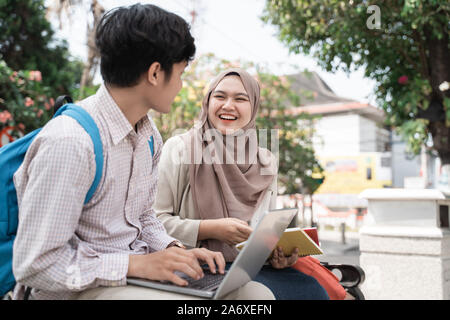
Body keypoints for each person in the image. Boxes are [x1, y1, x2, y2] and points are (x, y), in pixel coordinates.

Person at [11, 4, 274, 300]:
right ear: (155, 73)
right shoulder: (71, 141)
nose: (181, 85)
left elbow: (144, 217)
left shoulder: (148, 137)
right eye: (180, 73)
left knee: (254, 296)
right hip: (77, 289)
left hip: (133, 277)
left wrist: (174, 251)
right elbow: (35, 265)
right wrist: (136, 265)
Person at [154, 68, 330, 300]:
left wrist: (275, 253)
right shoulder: (179, 148)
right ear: (208, 102)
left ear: (253, 106)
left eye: (240, 99)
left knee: (313, 291)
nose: (228, 105)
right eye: (220, 96)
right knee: (258, 299)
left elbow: (264, 227)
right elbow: (155, 222)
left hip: (250, 268)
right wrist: (211, 228)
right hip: (195, 266)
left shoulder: (265, 159)